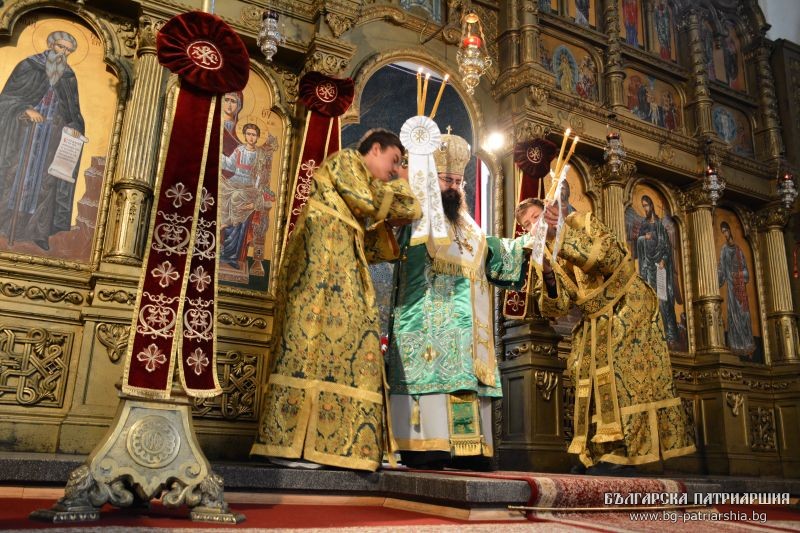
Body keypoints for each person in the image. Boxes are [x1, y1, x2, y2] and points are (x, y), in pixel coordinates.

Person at [251, 129, 421, 471]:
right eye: (394, 161)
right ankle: (289, 446)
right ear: (375, 149)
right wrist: (403, 182)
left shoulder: (358, 185)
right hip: (317, 271)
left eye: (399, 165)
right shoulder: (346, 161)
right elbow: (371, 203)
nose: (394, 169)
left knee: (349, 356)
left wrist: (394, 211)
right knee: (305, 350)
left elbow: (386, 226)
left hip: (339, 273)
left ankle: (334, 445)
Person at [516, 198, 695, 472]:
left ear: (549, 212)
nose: (533, 226)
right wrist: (549, 273)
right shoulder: (544, 253)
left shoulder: (582, 222)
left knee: (620, 372)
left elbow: (608, 257)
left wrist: (561, 233)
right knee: (582, 370)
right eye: (527, 224)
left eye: (536, 216)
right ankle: (598, 452)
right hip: (594, 316)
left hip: (627, 304)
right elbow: (557, 306)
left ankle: (625, 454)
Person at [387, 133, 532, 470]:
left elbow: (486, 253)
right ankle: (426, 446)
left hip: (468, 328)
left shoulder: (468, 222)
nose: (452, 186)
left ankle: (469, 449)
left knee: (466, 378)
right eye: (445, 179)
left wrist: (523, 246)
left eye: (457, 180)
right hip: (424, 318)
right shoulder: (416, 208)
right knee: (434, 375)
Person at [0, 30, 85, 251]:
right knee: (16, 176)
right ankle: (7, 225)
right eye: (60, 47)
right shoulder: (28, 66)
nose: (63, 53)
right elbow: (7, 99)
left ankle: (38, 232)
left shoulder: (68, 76)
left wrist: (74, 127)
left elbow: (73, 112)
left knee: (46, 184)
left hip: (52, 140)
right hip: (24, 135)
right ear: (50, 44)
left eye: (68, 50)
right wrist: (25, 110)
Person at [219, 123, 276, 273]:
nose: (251, 137)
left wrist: (257, 192)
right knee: (224, 194)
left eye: (254, 134)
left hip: (249, 186)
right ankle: (224, 246)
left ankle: (232, 256)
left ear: (257, 137)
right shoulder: (239, 150)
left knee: (237, 199)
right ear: (244, 135)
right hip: (235, 181)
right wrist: (219, 155)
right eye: (248, 134)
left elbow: (260, 176)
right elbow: (230, 166)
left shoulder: (260, 154)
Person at [634, 195, 680, 350]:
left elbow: (667, 248)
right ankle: (653, 335)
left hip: (661, 268)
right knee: (651, 302)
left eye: (647, 205)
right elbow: (638, 244)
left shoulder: (660, 226)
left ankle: (669, 335)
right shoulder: (643, 225)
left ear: (652, 206)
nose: (646, 208)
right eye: (643, 206)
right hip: (648, 268)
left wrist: (664, 261)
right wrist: (643, 239)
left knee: (664, 301)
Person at [717, 221, 755, 357]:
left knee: (744, 316)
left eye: (726, 231)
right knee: (734, 318)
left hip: (741, 290)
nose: (725, 234)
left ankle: (748, 346)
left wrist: (738, 275)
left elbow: (746, 272)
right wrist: (715, 280)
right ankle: (736, 346)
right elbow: (721, 269)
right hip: (732, 291)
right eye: (723, 232)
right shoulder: (724, 250)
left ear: (730, 231)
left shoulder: (739, 250)